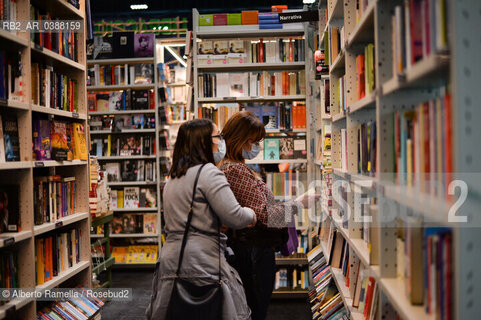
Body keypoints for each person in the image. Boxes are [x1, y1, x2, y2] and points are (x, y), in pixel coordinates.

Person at [146, 119, 256, 320]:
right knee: (211, 309)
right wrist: (252, 213)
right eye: (217, 137)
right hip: (201, 259)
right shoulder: (209, 173)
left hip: (171, 257)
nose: (221, 142)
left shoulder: (174, 177)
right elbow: (235, 216)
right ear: (204, 142)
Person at [219, 111, 319, 320]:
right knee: (255, 308)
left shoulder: (231, 166)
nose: (257, 147)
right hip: (251, 251)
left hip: (249, 250)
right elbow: (264, 215)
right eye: (254, 141)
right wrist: (299, 203)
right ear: (240, 140)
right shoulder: (235, 170)